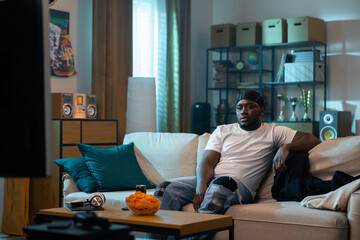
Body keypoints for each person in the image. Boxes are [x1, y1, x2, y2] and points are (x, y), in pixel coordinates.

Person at [149, 90, 320, 238]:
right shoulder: (223, 130)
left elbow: (312, 139)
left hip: (239, 187)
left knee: (222, 185)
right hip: (214, 180)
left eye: (250, 106)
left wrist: (286, 146)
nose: (243, 111)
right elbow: (207, 162)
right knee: (165, 188)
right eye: (239, 107)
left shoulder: (273, 131)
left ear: (261, 111)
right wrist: (201, 185)